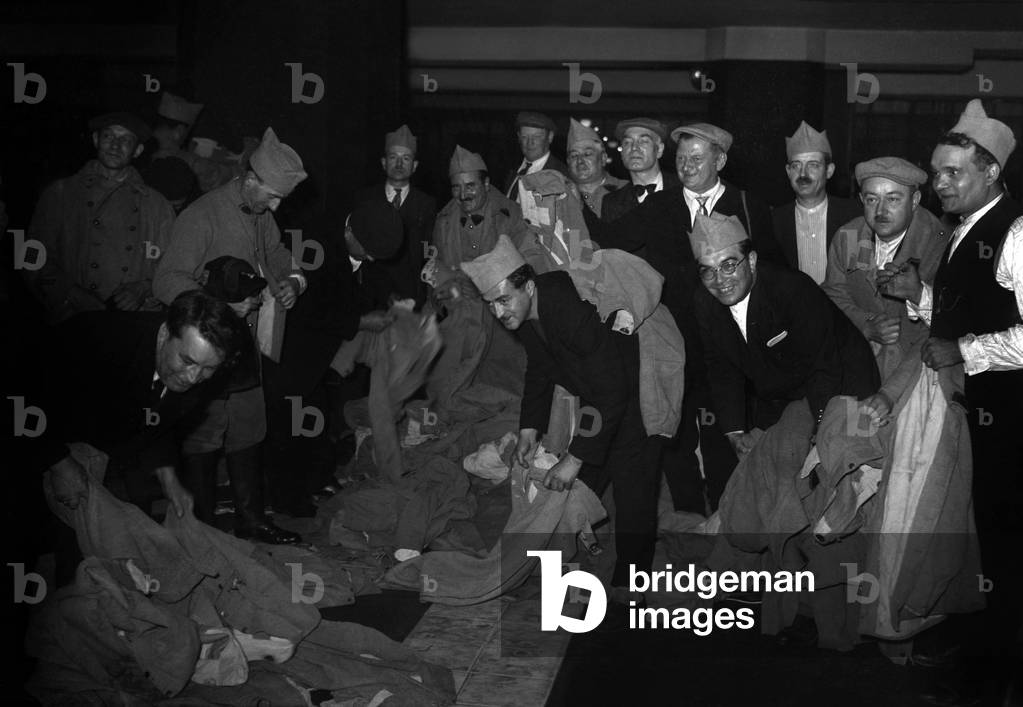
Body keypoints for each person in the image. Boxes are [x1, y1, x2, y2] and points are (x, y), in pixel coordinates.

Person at [880, 99, 1022, 704]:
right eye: (935, 173)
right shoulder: (970, 228)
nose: (939, 185)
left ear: (991, 172)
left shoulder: (1016, 231)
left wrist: (965, 350)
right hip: (982, 415)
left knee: (1008, 542)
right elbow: (976, 308)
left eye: (953, 173)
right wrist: (924, 297)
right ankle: (982, 652)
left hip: (1014, 418)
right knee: (984, 537)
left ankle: (996, 678)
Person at [461, 235, 663, 597]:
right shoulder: (524, 311)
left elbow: (614, 391)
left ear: (529, 286)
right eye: (491, 304)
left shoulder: (568, 311)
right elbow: (541, 368)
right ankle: (573, 563)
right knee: (587, 472)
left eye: (503, 300)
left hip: (635, 389)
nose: (498, 312)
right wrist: (529, 428)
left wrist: (575, 458)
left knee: (634, 485)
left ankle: (633, 583)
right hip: (600, 392)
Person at [153, 127, 309, 545]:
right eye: (273, 196)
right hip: (204, 354)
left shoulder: (261, 214)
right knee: (205, 435)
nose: (276, 206)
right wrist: (216, 309)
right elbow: (165, 281)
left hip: (245, 350)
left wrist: (293, 281)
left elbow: (278, 257)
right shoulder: (202, 216)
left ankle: (251, 520)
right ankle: (200, 528)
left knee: (249, 428)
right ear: (251, 178)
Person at [692, 212, 879, 455]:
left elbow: (824, 365)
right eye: (708, 271)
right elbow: (721, 367)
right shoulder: (704, 302)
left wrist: (821, 430)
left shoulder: (792, 290)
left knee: (845, 462)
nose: (720, 280)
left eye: (728, 265)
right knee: (772, 470)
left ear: (751, 261)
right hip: (785, 395)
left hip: (846, 381)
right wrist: (735, 431)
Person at [24, 112, 175, 323]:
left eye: (126, 140)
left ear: (138, 150)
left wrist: (143, 289)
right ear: (96, 140)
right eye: (108, 136)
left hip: (131, 322)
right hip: (70, 319)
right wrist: (71, 294)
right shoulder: (60, 193)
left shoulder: (157, 204)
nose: (115, 145)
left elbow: (172, 266)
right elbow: (31, 256)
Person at [821, 156, 948, 381]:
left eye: (893, 199)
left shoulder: (939, 244)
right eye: (871, 199)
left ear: (915, 199)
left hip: (919, 370)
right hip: (857, 358)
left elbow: (949, 318)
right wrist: (866, 323)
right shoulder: (849, 236)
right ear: (860, 199)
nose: (881, 211)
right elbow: (833, 295)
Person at [353, 124, 436, 304]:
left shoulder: (426, 205)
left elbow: (427, 255)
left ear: (414, 166)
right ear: (384, 162)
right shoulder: (365, 200)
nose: (399, 164)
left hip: (412, 301)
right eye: (393, 157)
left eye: (406, 158)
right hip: (369, 300)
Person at [772, 121, 860, 282]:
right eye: (796, 165)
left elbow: (859, 274)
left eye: (813, 165)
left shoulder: (853, 217)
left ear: (829, 171)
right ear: (788, 171)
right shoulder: (774, 221)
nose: (803, 174)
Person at [600, 117, 679, 223]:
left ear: (659, 150)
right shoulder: (612, 203)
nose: (634, 148)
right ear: (622, 153)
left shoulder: (683, 191)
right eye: (627, 142)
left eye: (643, 141)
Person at [565, 118, 626, 218]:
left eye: (587, 154)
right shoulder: (558, 195)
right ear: (568, 162)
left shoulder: (625, 191)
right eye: (574, 156)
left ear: (603, 158)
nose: (580, 161)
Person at [504, 111, 569, 205]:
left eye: (537, 137)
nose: (530, 142)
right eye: (524, 136)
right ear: (518, 137)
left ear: (550, 137)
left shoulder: (560, 175)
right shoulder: (513, 169)